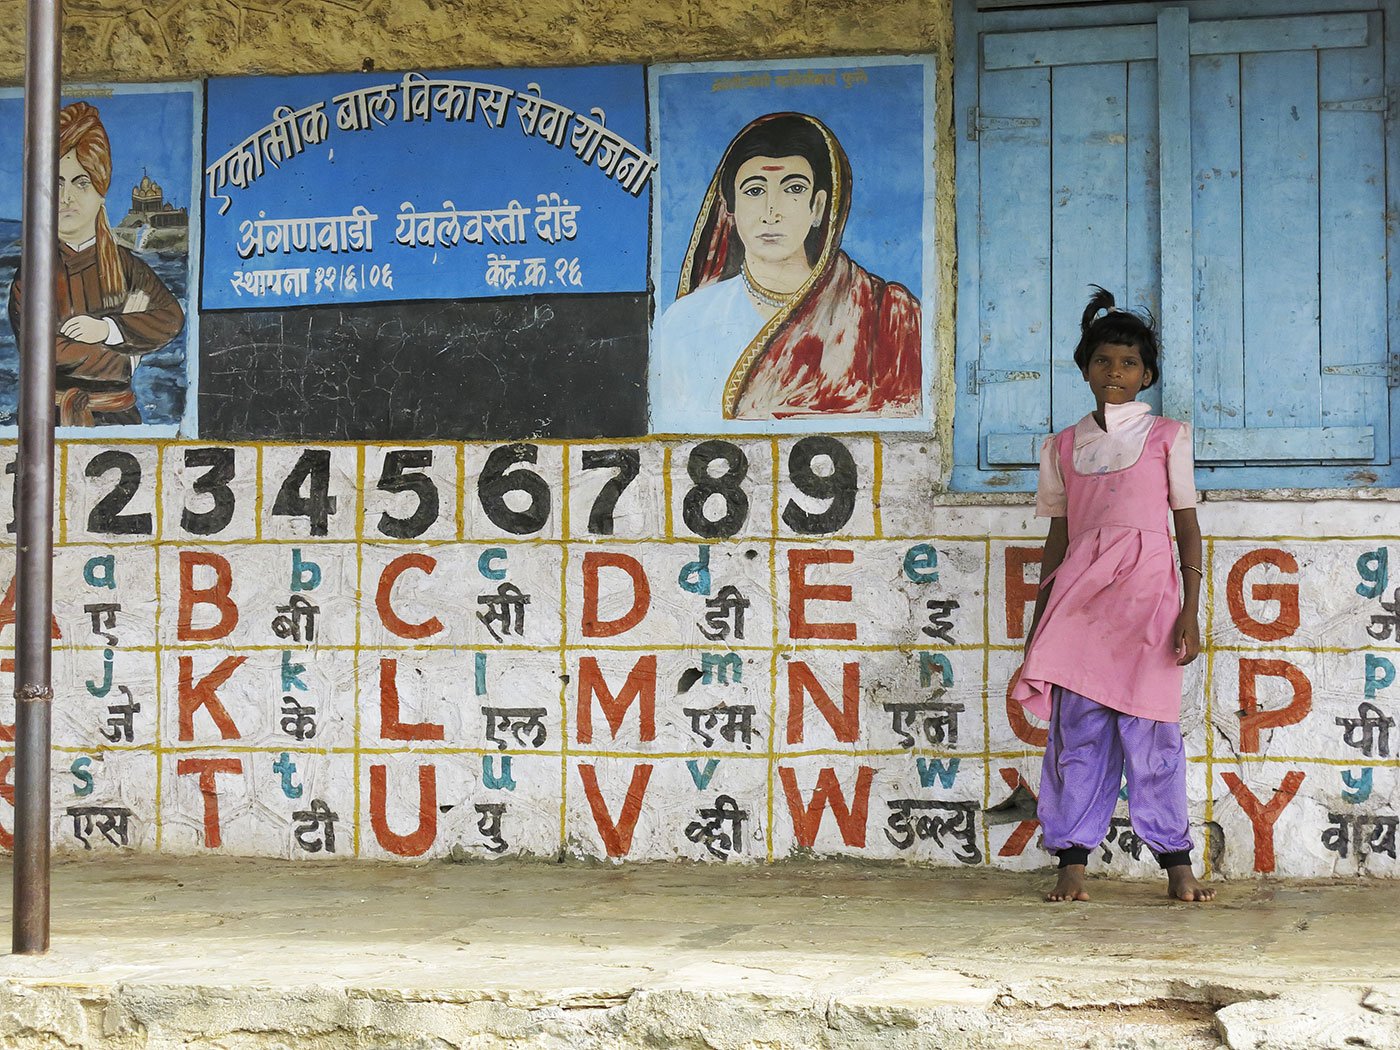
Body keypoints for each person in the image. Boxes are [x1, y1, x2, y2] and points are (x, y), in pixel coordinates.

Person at [1011, 286, 1214, 904]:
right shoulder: (1062, 447)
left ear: (1146, 373)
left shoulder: (1169, 437)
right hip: (1080, 605)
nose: (1115, 373)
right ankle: (1071, 860)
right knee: (1078, 732)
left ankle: (1177, 863)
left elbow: (1187, 525)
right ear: (1085, 369)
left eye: (1128, 363)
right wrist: (1040, 618)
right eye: (1103, 361)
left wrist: (1191, 610)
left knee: (1153, 734)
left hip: (1149, 601)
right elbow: (1057, 538)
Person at [650, 111, 920, 426]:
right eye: (754, 190)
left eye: (793, 189)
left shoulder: (888, 318)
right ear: (731, 208)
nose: (771, 212)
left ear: (818, 207)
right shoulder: (686, 323)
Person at [6, 100, 184, 426]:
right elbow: (45, 351)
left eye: (81, 182)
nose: (67, 197)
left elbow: (170, 318)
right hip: (46, 427)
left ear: (101, 190)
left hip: (119, 421)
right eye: (57, 182)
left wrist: (107, 328)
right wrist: (125, 359)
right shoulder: (32, 276)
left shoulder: (127, 266)